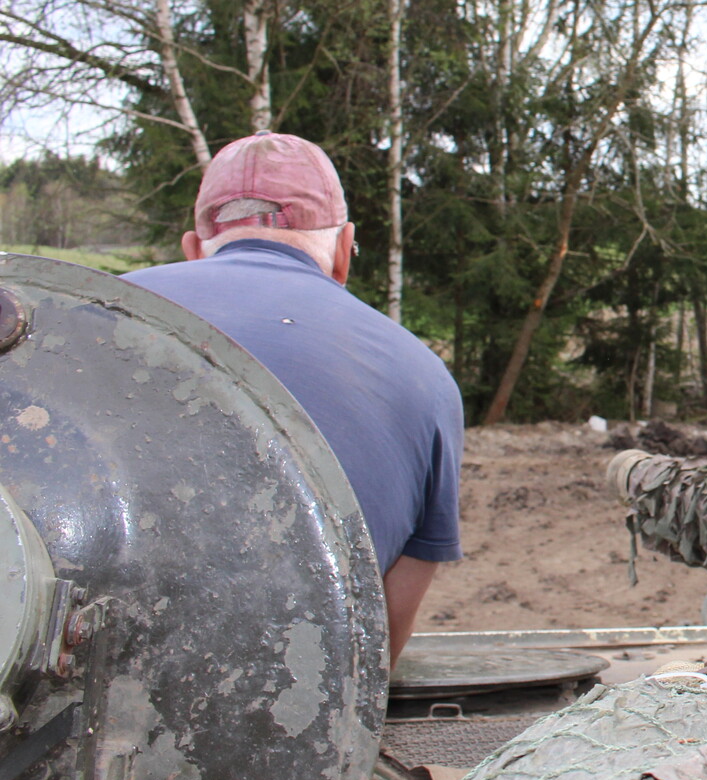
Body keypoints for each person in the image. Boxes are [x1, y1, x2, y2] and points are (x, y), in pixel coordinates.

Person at [124, 132, 463, 662]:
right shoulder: (427, 379)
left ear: (193, 250)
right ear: (344, 250)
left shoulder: (88, 317)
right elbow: (373, 659)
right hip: (288, 725)